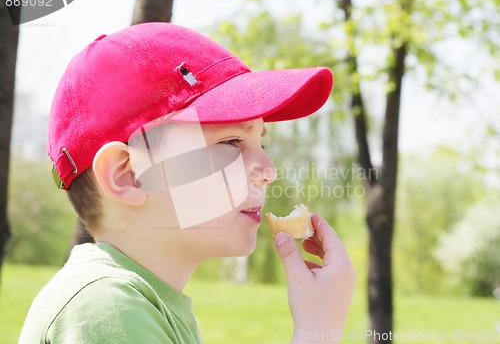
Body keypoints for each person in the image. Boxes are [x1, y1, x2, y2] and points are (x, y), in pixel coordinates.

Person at [19, 22, 355, 343]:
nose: (268, 169)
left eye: (261, 145)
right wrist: (317, 329)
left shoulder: (147, 303)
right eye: (231, 143)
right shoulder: (103, 305)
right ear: (128, 174)